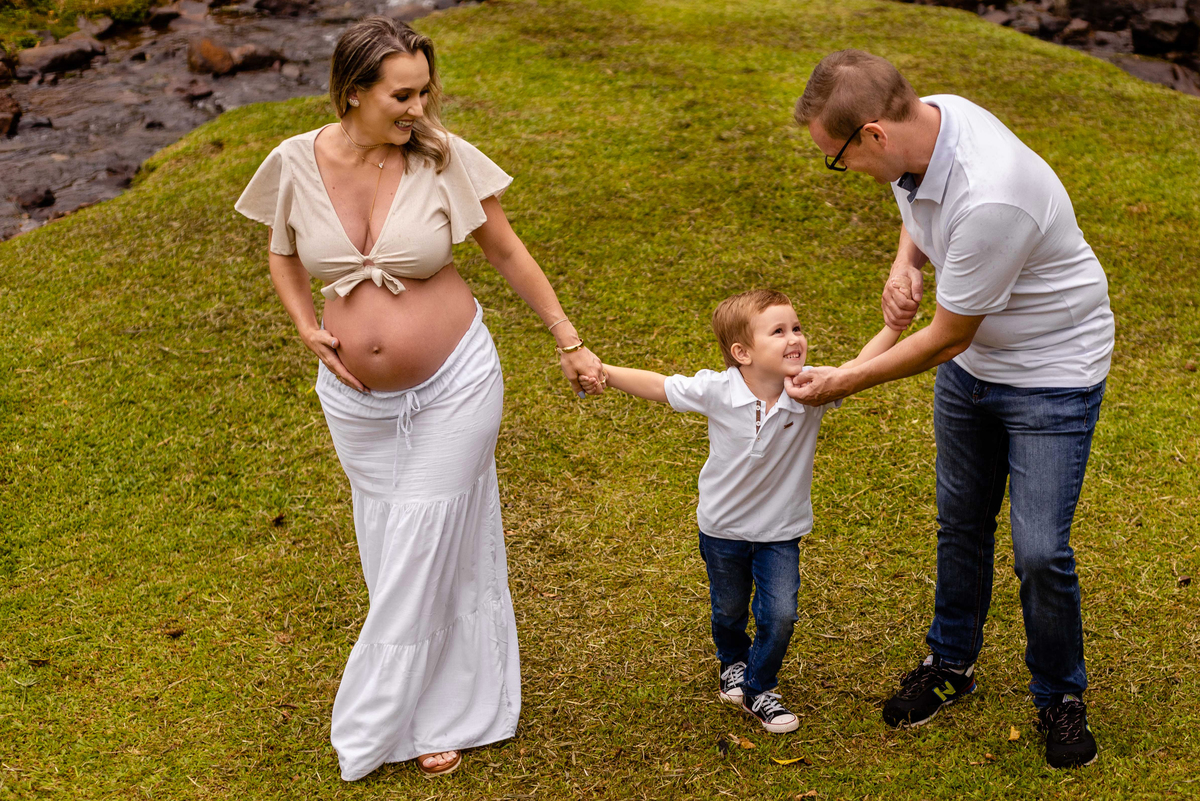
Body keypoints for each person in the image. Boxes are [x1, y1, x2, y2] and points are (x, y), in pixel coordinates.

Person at [233, 17, 604, 781]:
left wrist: (569, 339)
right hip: (355, 402)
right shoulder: (295, 160)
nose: (419, 108)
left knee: (425, 533)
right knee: (393, 542)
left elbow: (506, 250)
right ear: (353, 91)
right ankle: (437, 696)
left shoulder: (441, 156)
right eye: (401, 95)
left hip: (456, 380)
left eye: (424, 91)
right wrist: (304, 325)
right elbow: (282, 251)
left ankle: (383, 715)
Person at [790, 49, 1114, 769]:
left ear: (873, 133)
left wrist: (845, 380)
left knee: (1039, 549)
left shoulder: (992, 193)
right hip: (975, 368)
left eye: (838, 158)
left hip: (1051, 372)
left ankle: (1060, 694)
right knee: (961, 518)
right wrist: (906, 260)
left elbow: (945, 338)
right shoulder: (931, 120)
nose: (844, 171)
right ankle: (950, 662)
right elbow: (918, 200)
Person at [581, 289, 899, 732]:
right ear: (742, 353)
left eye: (796, 328)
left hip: (780, 532)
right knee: (728, 609)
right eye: (778, 332)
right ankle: (732, 660)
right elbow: (659, 386)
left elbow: (857, 368)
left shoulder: (812, 389)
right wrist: (605, 372)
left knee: (780, 614)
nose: (795, 338)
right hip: (722, 530)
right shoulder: (718, 389)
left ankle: (759, 687)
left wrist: (893, 327)